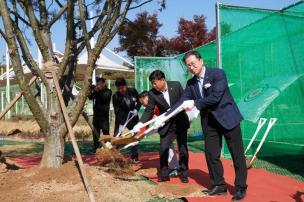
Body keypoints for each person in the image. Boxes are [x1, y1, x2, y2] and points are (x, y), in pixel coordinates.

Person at [170, 50, 247, 201]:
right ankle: (218, 185)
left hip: (228, 119)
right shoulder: (191, 83)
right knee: (211, 154)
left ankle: (240, 188)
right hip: (209, 123)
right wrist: (167, 114)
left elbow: (216, 97)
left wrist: (195, 103)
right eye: (188, 66)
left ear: (201, 61)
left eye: (193, 63)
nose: (191, 67)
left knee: (237, 156)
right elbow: (181, 102)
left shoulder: (218, 74)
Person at [133, 70, 190, 183]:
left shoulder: (176, 85)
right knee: (163, 148)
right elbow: (149, 110)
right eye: (152, 83)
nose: (153, 86)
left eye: (155, 83)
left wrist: (181, 107)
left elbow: (183, 101)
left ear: (163, 80)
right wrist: (140, 124)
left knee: (183, 148)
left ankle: (183, 173)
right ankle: (164, 175)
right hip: (166, 123)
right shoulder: (152, 93)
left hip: (180, 121)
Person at [138, 91, 179, 177]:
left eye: (142, 102)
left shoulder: (156, 102)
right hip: (168, 124)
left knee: (168, 143)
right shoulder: (151, 106)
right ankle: (175, 167)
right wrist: (139, 133)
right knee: (168, 143)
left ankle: (176, 168)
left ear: (146, 98)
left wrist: (141, 135)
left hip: (176, 122)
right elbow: (147, 121)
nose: (143, 105)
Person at [112, 77, 141, 163]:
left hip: (133, 117)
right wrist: (121, 124)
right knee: (117, 137)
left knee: (135, 137)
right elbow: (116, 110)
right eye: (119, 88)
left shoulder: (132, 91)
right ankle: (116, 157)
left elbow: (139, 101)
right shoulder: (115, 96)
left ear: (126, 85)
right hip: (121, 119)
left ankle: (134, 157)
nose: (121, 90)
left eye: (123, 88)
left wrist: (136, 109)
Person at [88, 77, 112, 150]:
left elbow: (103, 97)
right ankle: (96, 147)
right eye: (97, 84)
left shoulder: (108, 91)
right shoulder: (96, 91)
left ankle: (107, 147)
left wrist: (96, 90)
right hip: (96, 115)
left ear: (104, 84)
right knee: (95, 132)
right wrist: (90, 90)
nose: (98, 86)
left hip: (104, 116)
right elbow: (90, 97)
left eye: (100, 84)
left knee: (106, 133)